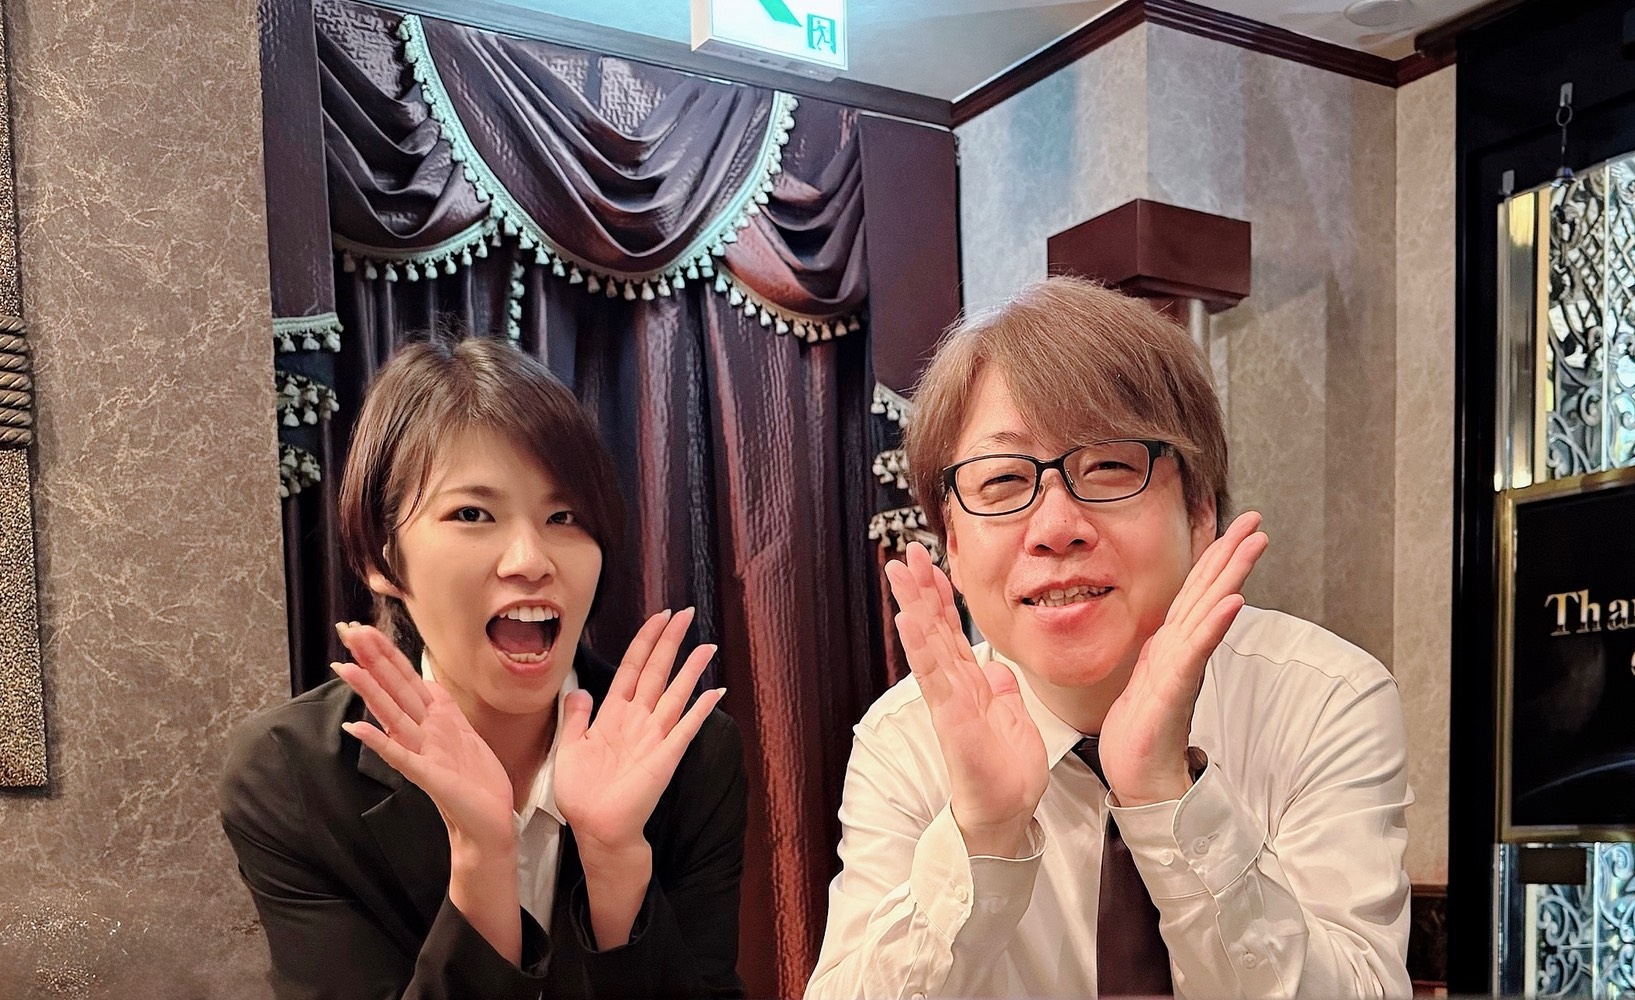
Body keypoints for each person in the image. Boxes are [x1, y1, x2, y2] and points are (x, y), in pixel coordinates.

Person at [806, 276, 1411, 999]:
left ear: (1199, 513)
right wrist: (980, 834)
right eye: (1002, 482)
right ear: (953, 548)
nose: (1056, 527)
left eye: (1110, 467)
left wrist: (1166, 795)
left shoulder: (1321, 699)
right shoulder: (904, 740)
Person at [220, 336, 746, 1000]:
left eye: (564, 516)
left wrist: (615, 862)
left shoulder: (689, 755)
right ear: (381, 558)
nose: (530, 559)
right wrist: (481, 859)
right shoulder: (293, 773)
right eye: (472, 513)